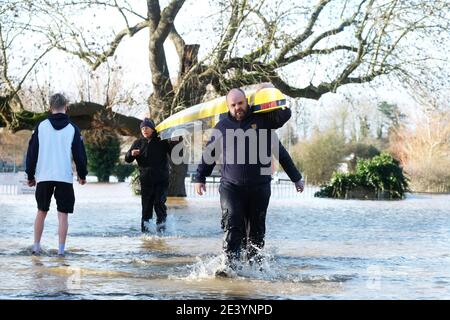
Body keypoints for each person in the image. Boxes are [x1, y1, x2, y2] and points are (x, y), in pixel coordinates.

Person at [193, 87, 303, 275]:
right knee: (233, 222)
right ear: (228, 107)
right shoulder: (222, 127)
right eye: (233, 105)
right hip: (231, 187)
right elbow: (209, 154)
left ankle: (254, 269)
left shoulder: (263, 121)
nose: (238, 108)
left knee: (256, 232)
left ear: (247, 102)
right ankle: (229, 267)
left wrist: (296, 178)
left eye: (241, 103)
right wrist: (200, 177)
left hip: (259, 188)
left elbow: (283, 129)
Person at [25, 93, 87, 256]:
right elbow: (79, 154)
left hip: (44, 176)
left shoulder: (41, 126)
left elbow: (32, 153)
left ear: (50, 107)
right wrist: (82, 175)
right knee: (63, 215)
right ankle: (61, 251)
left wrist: (30, 176)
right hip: (64, 177)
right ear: (66, 107)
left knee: (41, 211)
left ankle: (36, 247)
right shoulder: (73, 128)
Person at [125, 118, 181, 233]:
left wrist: (176, 143)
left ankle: (161, 232)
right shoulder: (138, 143)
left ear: (152, 129)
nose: (144, 130)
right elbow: (127, 159)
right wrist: (131, 154)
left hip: (161, 180)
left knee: (159, 204)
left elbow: (176, 157)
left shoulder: (162, 141)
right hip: (146, 181)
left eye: (147, 127)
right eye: (142, 128)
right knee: (146, 208)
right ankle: (146, 235)